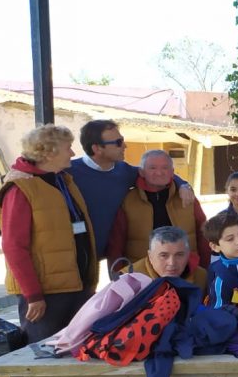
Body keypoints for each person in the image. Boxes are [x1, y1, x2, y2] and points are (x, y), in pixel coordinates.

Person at [0, 124, 98, 341]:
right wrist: (33, 295)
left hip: (77, 285)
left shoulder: (64, 179)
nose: (72, 153)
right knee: (44, 355)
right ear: (48, 152)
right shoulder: (20, 188)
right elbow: (14, 246)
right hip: (46, 295)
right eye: (68, 148)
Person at [64, 119, 194, 259]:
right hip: (75, 253)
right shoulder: (68, 173)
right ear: (97, 148)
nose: (125, 146)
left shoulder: (124, 171)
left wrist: (182, 184)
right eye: (118, 142)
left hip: (111, 252)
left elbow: (156, 174)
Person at [105, 149, 211, 269]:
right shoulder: (128, 201)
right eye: (152, 168)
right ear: (141, 172)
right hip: (142, 276)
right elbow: (116, 245)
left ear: (172, 172)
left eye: (165, 168)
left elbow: (204, 235)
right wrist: (118, 277)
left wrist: (205, 271)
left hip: (187, 271)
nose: (159, 173)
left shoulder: (186, 197)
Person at [127, 225, 208, 293]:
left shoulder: (202, 278)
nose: (172, 263)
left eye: (179, 255)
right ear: (150, 256)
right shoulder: (128, 281)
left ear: (188, 254)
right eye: (164, 255)